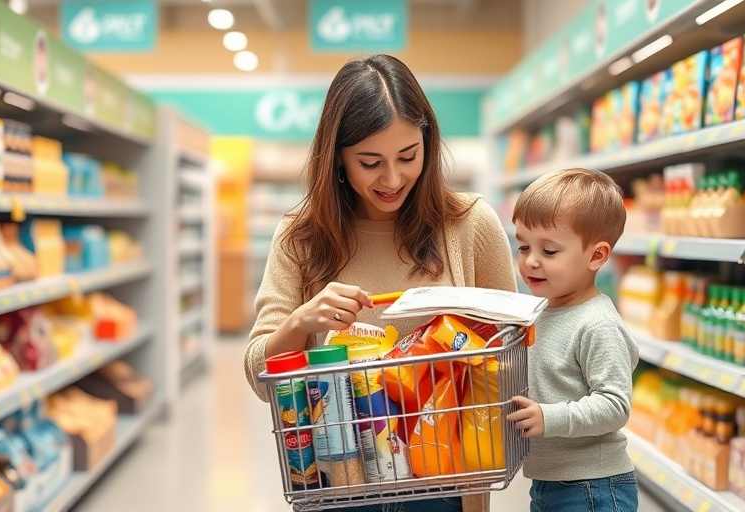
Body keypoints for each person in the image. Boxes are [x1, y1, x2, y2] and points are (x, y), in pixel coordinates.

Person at [243, 54, 516, 512]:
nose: (393, 178)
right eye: (370, 162)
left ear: (427, 142)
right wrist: (301, 322)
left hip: (446, 488)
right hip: (341, 487)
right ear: (337, 158)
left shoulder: (470, 225)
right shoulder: (299, 236)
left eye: (408, 156)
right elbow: (259, 374)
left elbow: (511, 351)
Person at [505, 168, 640, 512]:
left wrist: (548, 417)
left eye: (549, 251)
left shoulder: (598, 325)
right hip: (549, 482)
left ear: (596, 256)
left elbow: (615, 405)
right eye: (523, 246)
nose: (531, 261)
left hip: (592, 486)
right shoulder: (541, 311)